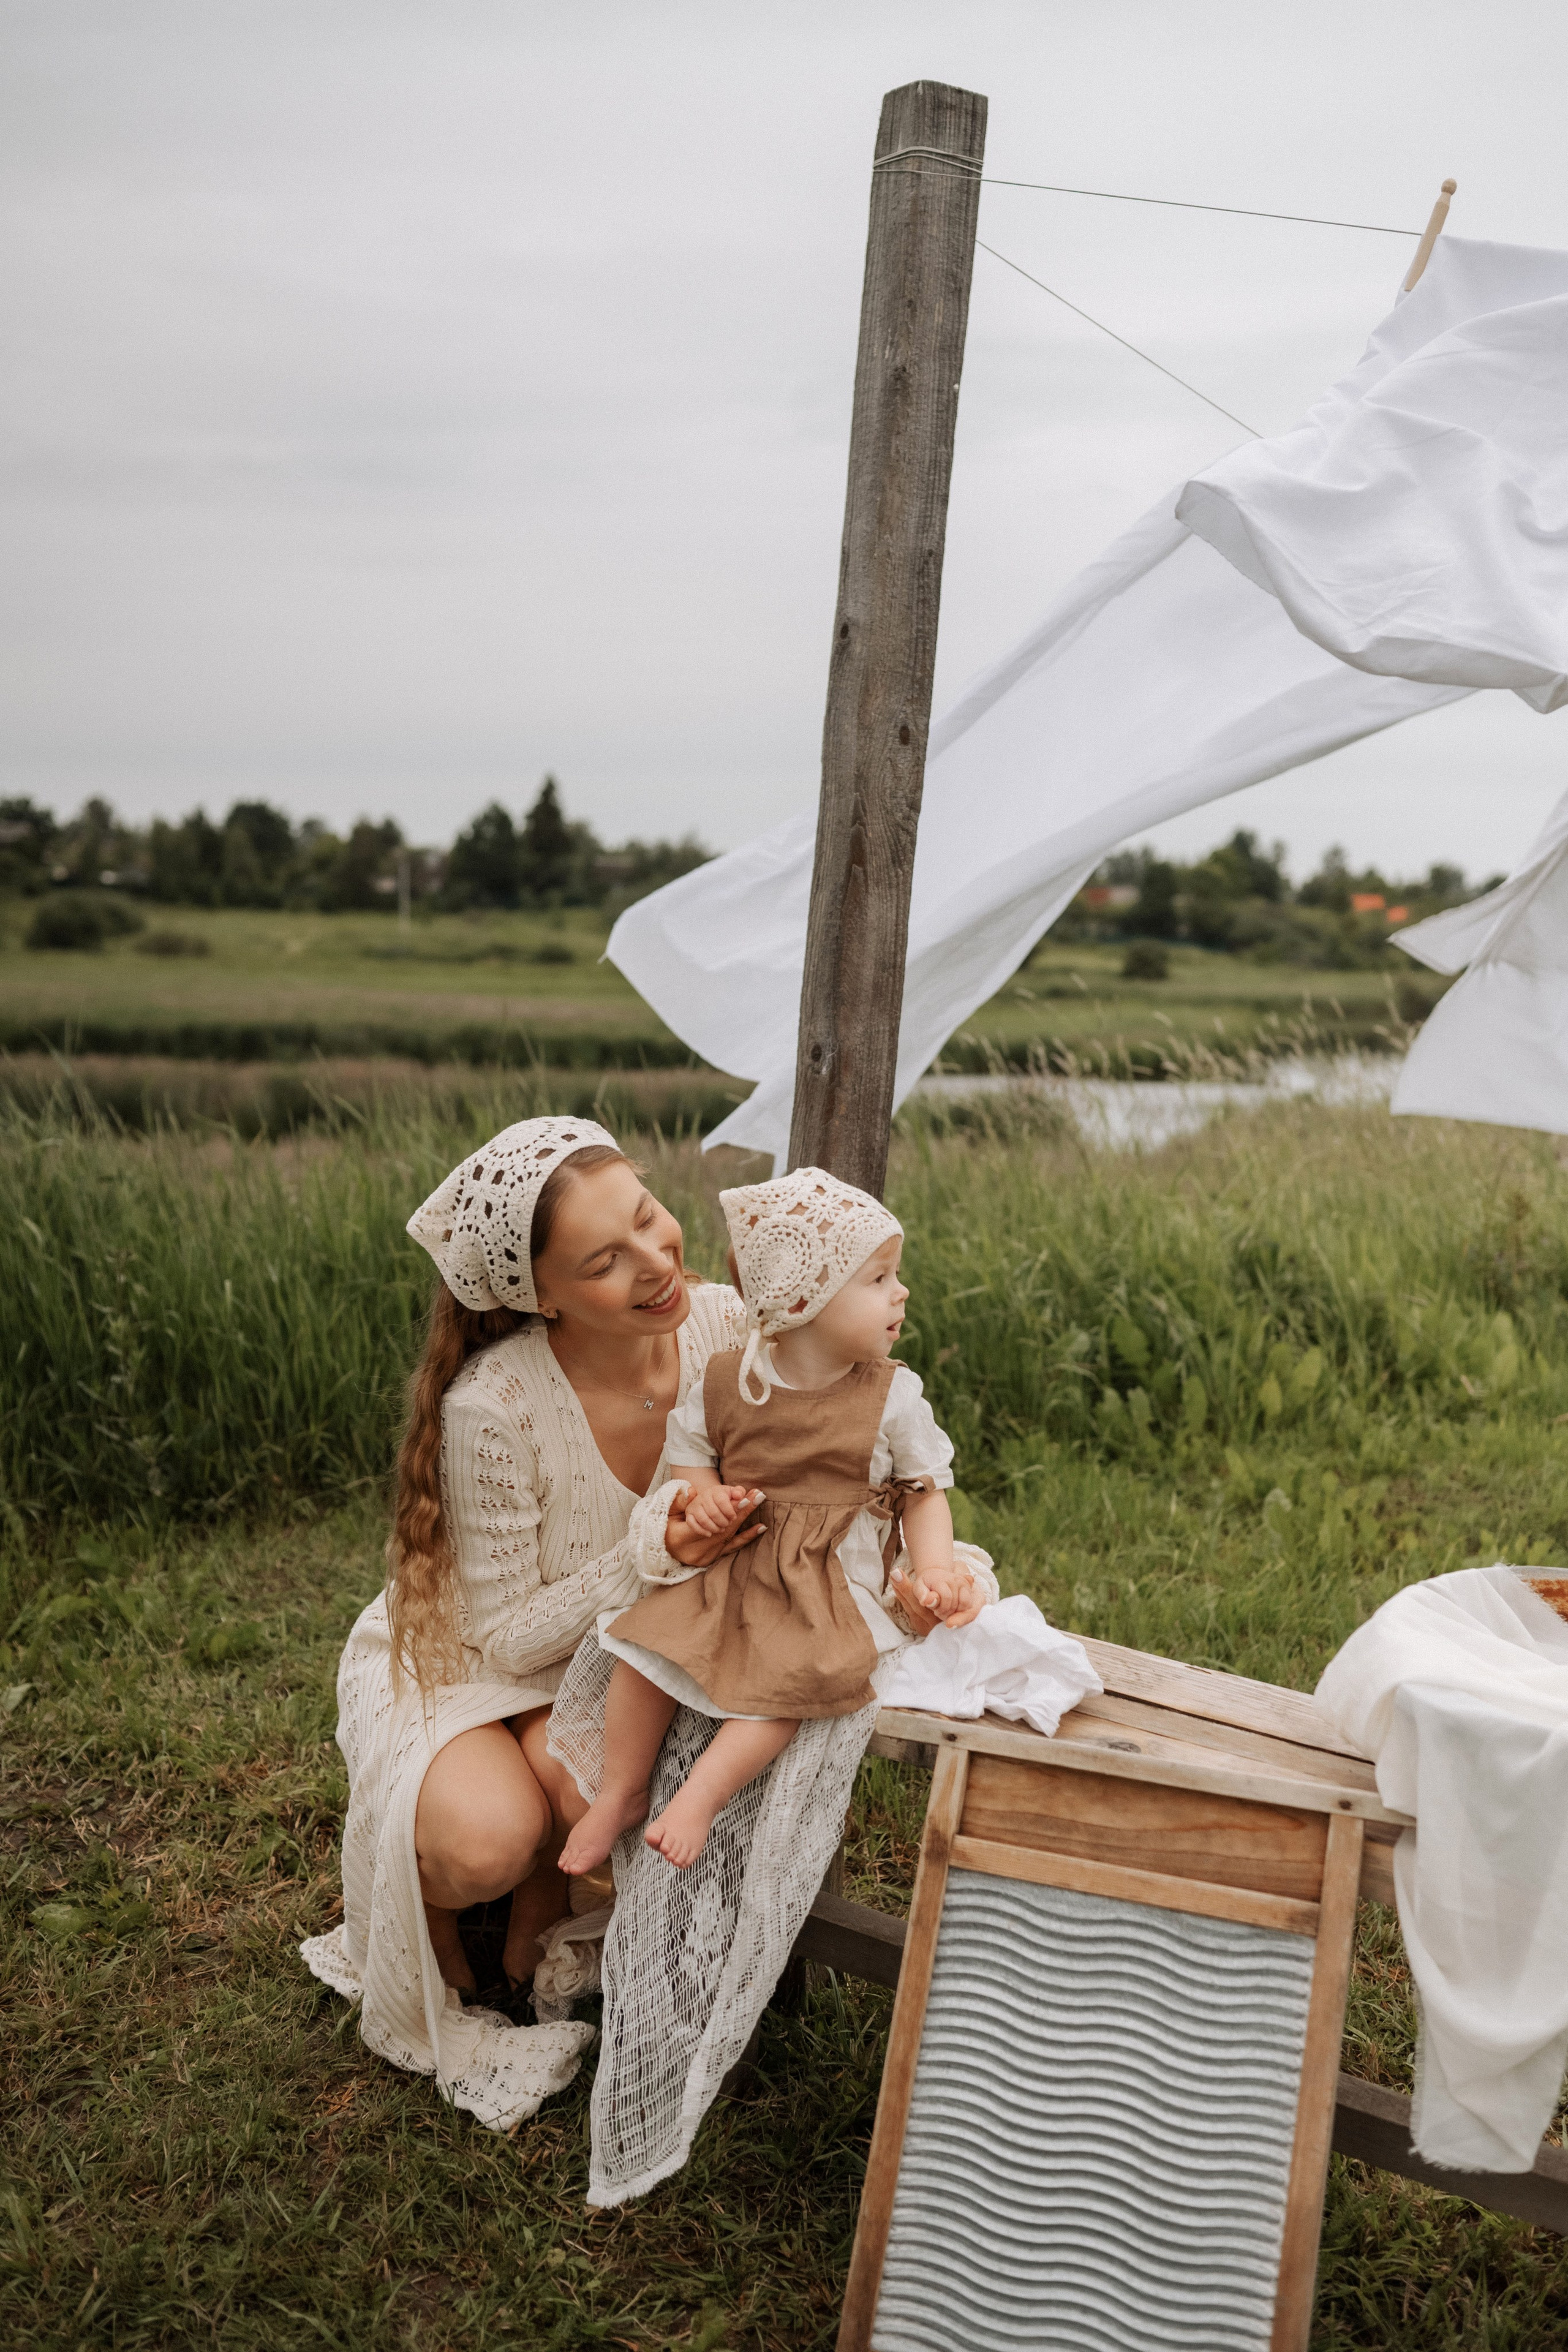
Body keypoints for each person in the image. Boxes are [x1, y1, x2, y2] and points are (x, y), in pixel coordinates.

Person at [299, 1115, 760, 2132]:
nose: (653, 1263)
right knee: (483, 1843)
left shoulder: (726, 1327)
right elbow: (509, 1640)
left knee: (590, 1782)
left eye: (648, 1217)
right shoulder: (494, 1404)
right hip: (472, 1653)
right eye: (605, 1262)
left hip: (620, 1654)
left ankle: (547, 1891)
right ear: (541, 1295)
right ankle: (436, 1897)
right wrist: (652, 1546)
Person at [560, 1167, 984, 1874]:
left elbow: (922, 1490)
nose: (900, 1292)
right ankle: (620, 1791)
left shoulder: (891, 1394)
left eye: (894, 1276)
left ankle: (701, 1796)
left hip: (827, 1587)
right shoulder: (732, 1378)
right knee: (643, 1649)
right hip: (740, 1563)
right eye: (877, 1279)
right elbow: (690, 1452)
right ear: (804, 1300)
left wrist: (934, 1567)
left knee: (788, 1687)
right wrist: (704, 1498)